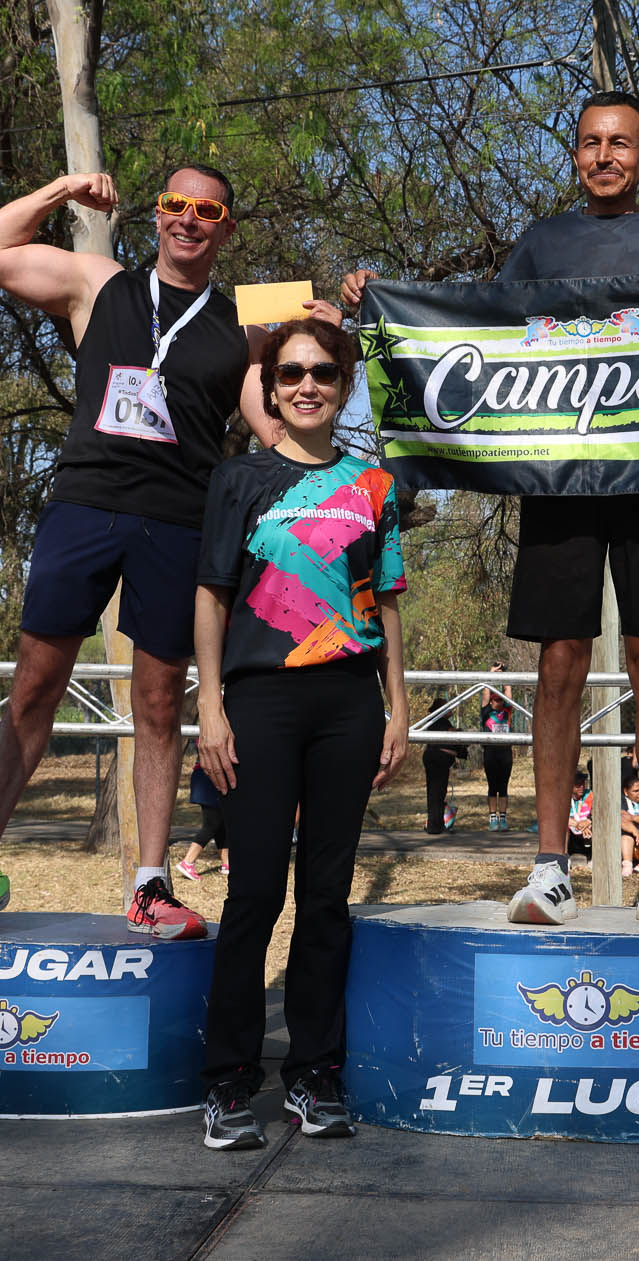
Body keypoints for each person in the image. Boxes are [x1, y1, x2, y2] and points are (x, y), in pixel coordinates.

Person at [343, 89, 639, 929]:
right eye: (591, 143)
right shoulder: (542, 241)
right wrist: (379, 303)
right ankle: (548, 870)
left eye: (621, 143)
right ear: (575, 155)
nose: (605, 156)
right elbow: (478, 332)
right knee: (558, 663)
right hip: (557, 482)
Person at [0, 167, 339, 943]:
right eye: (175, 204)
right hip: (84, 506)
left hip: (178, 520)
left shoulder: (248, 318)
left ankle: (150, 883)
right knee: (34, 686)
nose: (188, 219)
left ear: (226, 227)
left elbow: (281, 423)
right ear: (156, 213)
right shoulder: (98, 281)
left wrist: (342, 332)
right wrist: (61, 190)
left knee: (158, 702)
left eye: (206, 209)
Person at [192, 318, 408, 1149]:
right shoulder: (239, 478)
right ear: (272, 389)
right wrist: (211, 705)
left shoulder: (374, 484)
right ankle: (227, 1081)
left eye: (322, 371)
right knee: (254, 893)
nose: (307, 384)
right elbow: (211, 594)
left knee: (327, 897)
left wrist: (398, 705)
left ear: (344, 385)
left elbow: (386, 600)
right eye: (290, 373)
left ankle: (315, 1073)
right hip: (260, 702)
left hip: (349, 703)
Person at [419, 695, 468, 834]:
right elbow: (453, 735)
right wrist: (460, 734)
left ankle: (437, 823)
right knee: (436, 792)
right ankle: (434, 825)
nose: (450, 708)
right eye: (447, 706)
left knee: (438, 792)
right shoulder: (437, 721)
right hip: (437, 760)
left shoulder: (441, 722)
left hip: (440, 760)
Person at [176, 765, 228, 878]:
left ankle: (226, 864)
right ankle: (187, 862)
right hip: (209, 777)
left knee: (219, 823)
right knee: (212, 824)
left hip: (210, 777)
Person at [479, 673, 514, 831]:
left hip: (505, 752)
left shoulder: (507, 711)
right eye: (496, 700)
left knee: (504, 787)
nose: (499, 702)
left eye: (501, 700)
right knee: (493, 786)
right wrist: (491, 673)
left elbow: (508, 691)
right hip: (490, 753)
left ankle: (503, 818)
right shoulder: (486, 712)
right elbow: (485, 693)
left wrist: (505, 675)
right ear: (491, 701)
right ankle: (493, 818)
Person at [618, 775, 639, 875]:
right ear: (626, 792)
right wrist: (635, 832)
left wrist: (633, 818)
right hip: (632, 842)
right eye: (636, 791)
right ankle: (627, 865)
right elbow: (621, 819)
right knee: (626, 836)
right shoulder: (622, 801)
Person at [566, 770, 595, 858]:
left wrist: (589, 821)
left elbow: (597, 811)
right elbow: (560, 818)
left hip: (588, 831)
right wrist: (577, 824)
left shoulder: (590, 794)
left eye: (583, 783)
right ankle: (564, 855)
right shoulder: (564, 797)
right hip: (571, 832)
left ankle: (593, 855)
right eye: (578, 785)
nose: (581, 787)